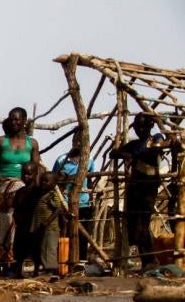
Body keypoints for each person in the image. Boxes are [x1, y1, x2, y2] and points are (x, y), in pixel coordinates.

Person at [110, 113, 173, 265]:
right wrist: (127, 154)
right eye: (137, 126)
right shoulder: (135, 144)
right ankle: (146, 260)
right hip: (135, 189)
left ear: (150, 126)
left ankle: (150, 260)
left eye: (143, 126)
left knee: (143, 225)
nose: (139, 129)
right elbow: (114, 153)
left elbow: (160, 146)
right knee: (134, 227)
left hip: (148, 189)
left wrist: (135, 156)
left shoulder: (155, 139)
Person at [0, 108, 40, 271]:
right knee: (2, 224)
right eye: (11, 119)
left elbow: (36, 168)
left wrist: (36, 191)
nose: (14, 122)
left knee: (18, 226)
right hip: (3, 189)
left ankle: (14, 262)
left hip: (22, 190)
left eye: (17, 119)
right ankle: (0, 262)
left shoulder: (31, 143)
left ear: (25, 121)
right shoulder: (1, 141)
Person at [53, 132, 96, 261]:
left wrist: (91, 198)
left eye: (82, 142)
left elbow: (90, 180)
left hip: (84, 202)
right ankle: (64, 261)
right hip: (66, 202)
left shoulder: (89, 160)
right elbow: (55, 180)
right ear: (72, 142)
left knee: (83, 235)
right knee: (65, 233)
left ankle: (81, 261)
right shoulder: (62, 160)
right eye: (76, 141)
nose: (79, 144)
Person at [10, 162, 45, 277]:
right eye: (24, 174)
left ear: (35, 174)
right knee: (19, 250)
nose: (26, 177)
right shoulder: (20, 191)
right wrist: (16, 217)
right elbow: (15, 206)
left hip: (34, 225)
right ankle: (19, 271)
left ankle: (35, 272)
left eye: (29, 174)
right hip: (21, 225)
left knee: (35, 248)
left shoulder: (38, 191)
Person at [30, 173, 68, 276]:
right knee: (44, 248)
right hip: (44, 228)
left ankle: (51, 270)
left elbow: (58, 209)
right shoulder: (44, 194)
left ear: (54, 183)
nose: (43, 183)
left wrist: (48, 221)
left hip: (51, 227)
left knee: (49, 249)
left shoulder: (53, 194)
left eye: (46, 181)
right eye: (42, 180)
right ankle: (47, 269)